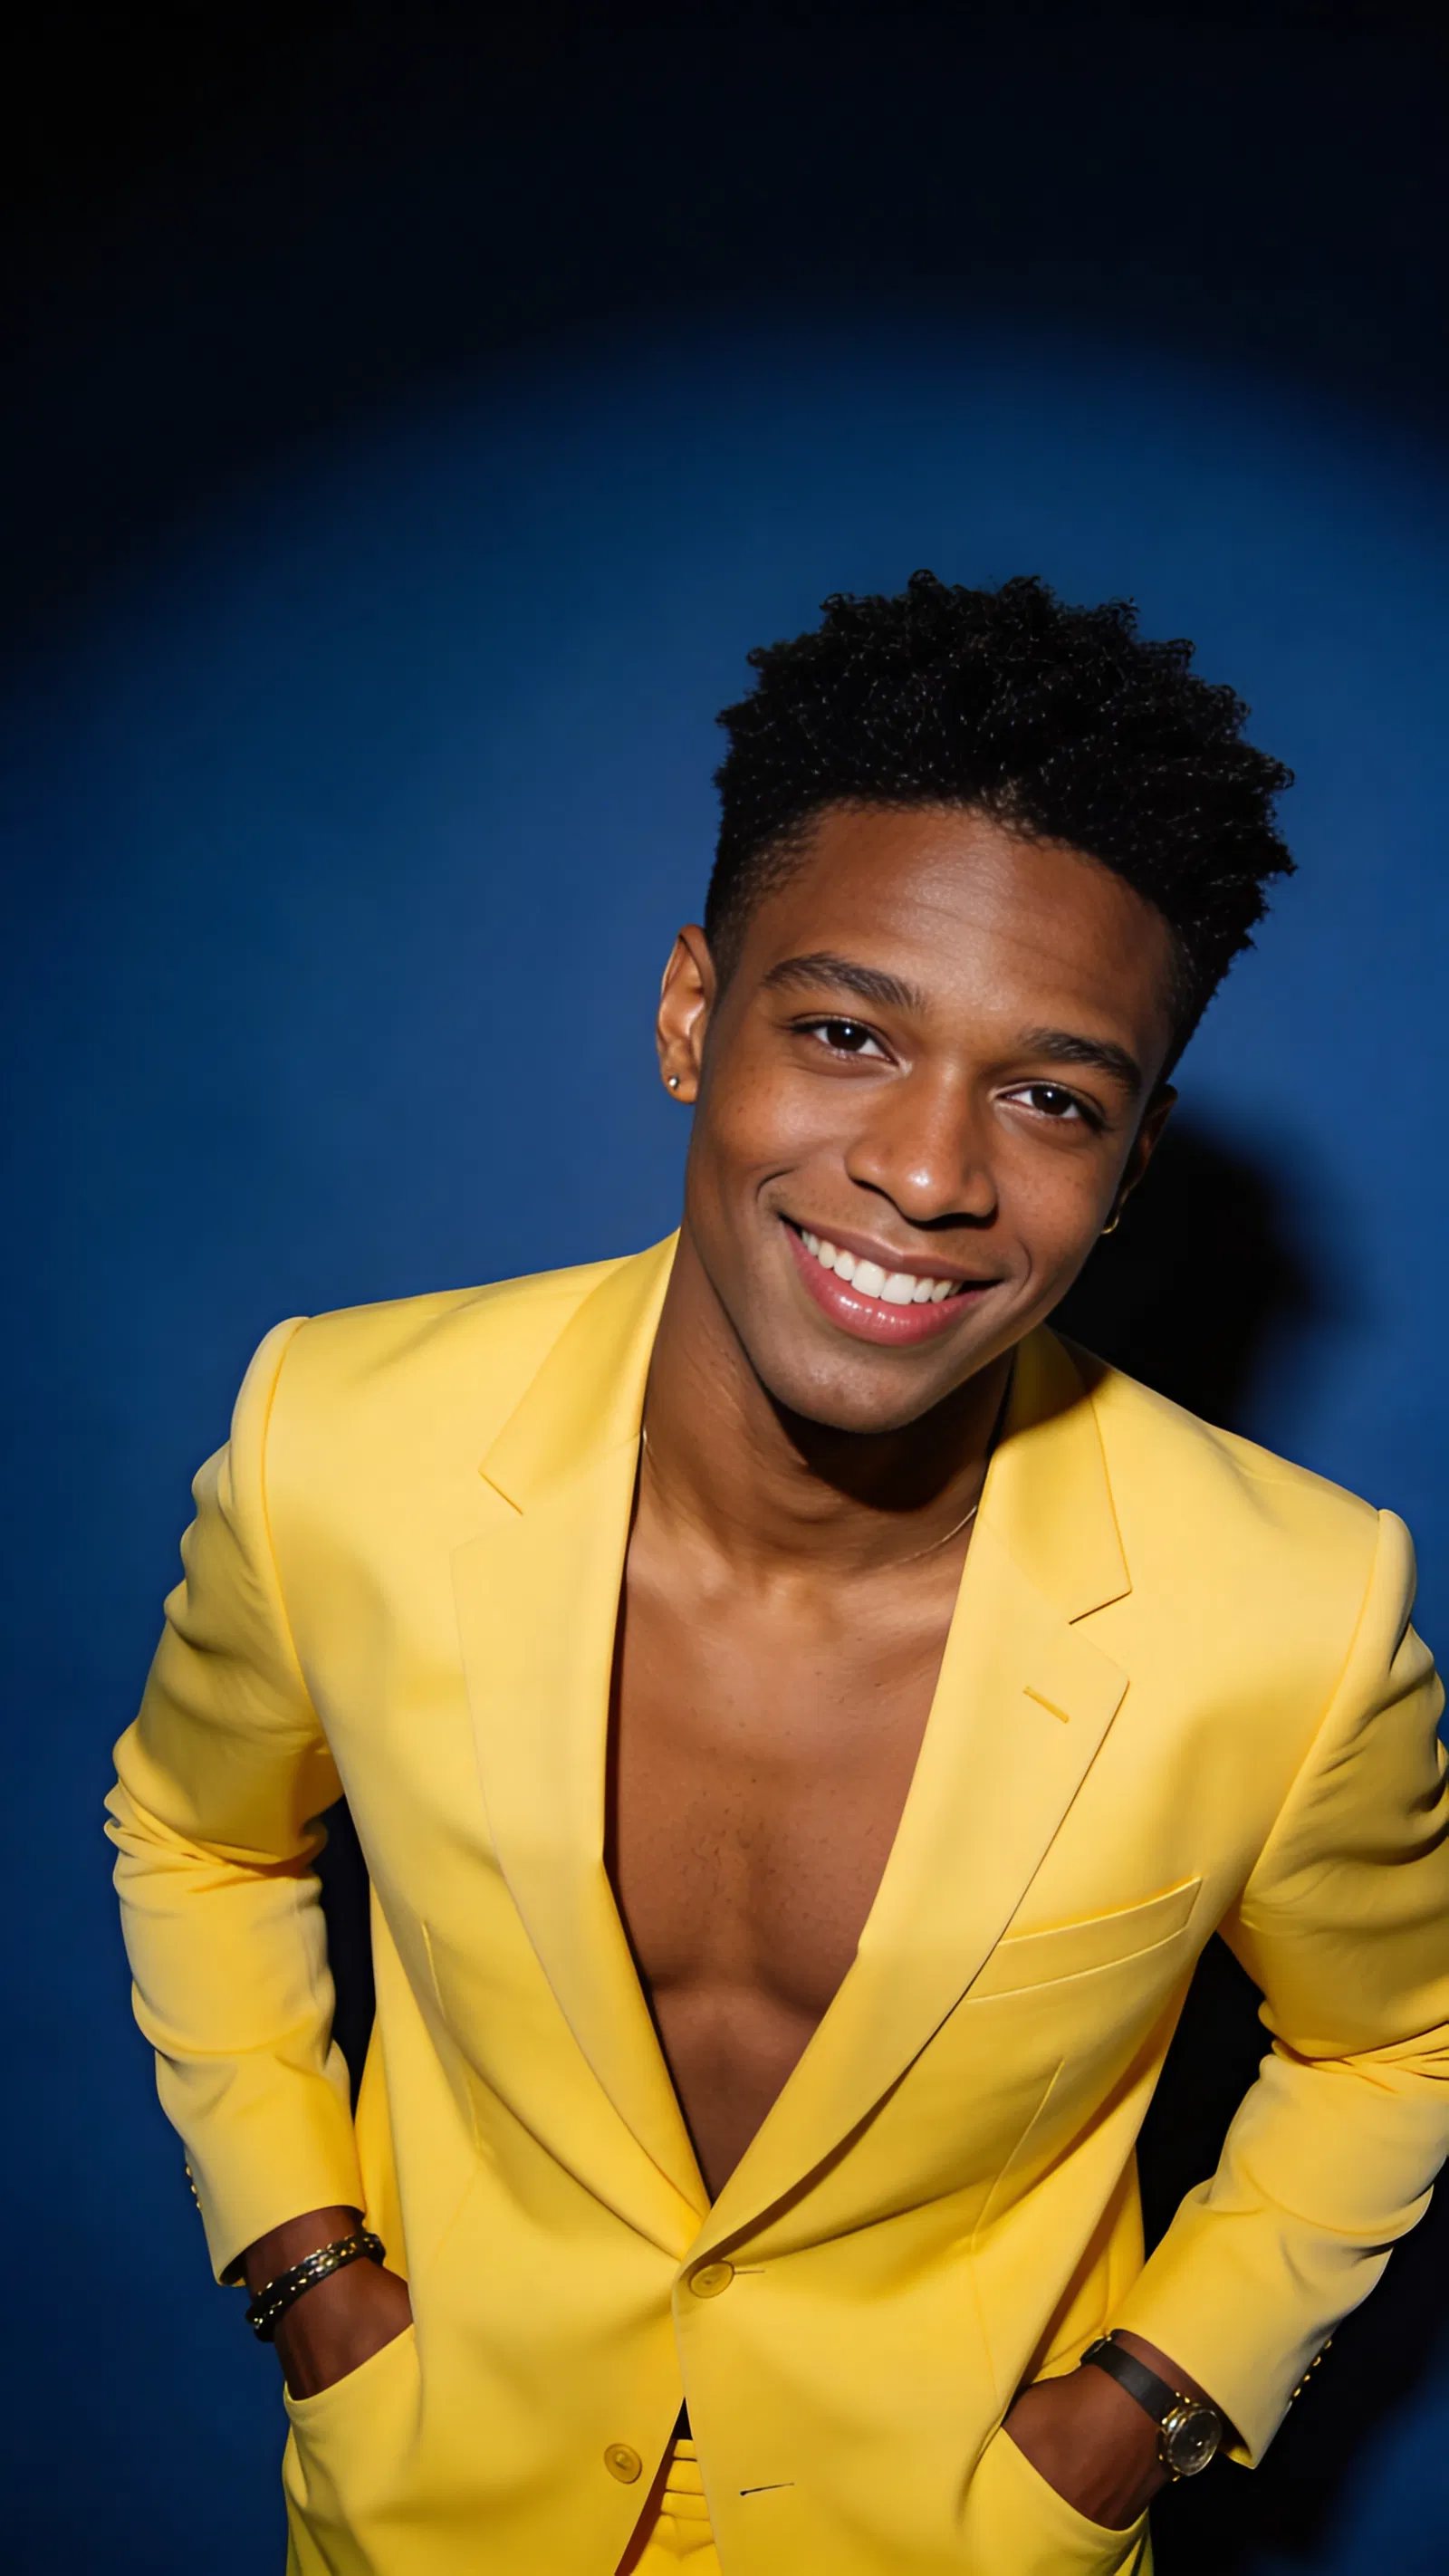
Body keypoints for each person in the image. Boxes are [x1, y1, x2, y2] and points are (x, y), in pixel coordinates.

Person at [109, 572, 1449, 2576]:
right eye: (842, 1031)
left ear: (1130, 1162)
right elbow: (195, 1838)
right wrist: (302, 2266)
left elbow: (1398, 2038)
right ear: (684, 1017)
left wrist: (1149, 2406)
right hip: (424, 2517)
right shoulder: (342, 1442)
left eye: (1047, 1097)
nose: (925, 1171)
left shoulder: (1292, 1617)